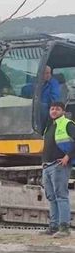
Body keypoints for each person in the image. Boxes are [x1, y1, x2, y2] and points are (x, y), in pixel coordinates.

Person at [40, 101, 75, 238]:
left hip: (59, 165)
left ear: (63, 111)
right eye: (52, 108)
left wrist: (68, 156)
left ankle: (64, 228)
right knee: (51, 197)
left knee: (61, 196)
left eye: (57, 109)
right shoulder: (49, 126)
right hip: (47, 166)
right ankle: (53, 226)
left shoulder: (67, 124)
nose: (54, 111)